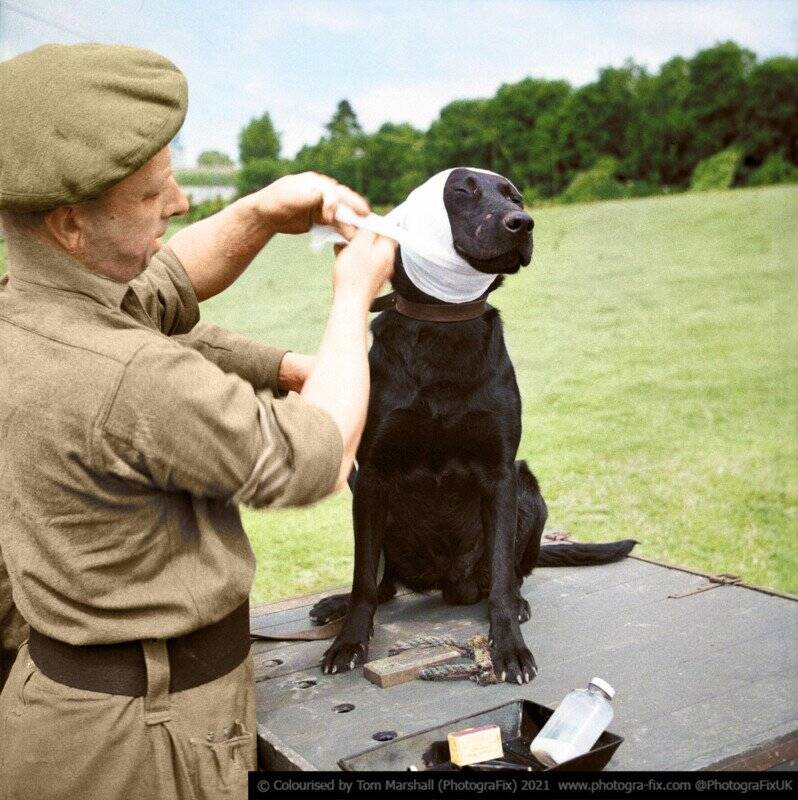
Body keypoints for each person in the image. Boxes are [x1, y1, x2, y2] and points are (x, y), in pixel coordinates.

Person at [0, 43, 394, 799]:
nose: (179, 202)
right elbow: (315, 457)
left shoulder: (29, 305)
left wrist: (259, 212)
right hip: (142, 743)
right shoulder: (127, 376)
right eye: (152, 196)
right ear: (69, 227)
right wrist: (352, 298)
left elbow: (168, 280)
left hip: (79, 713)